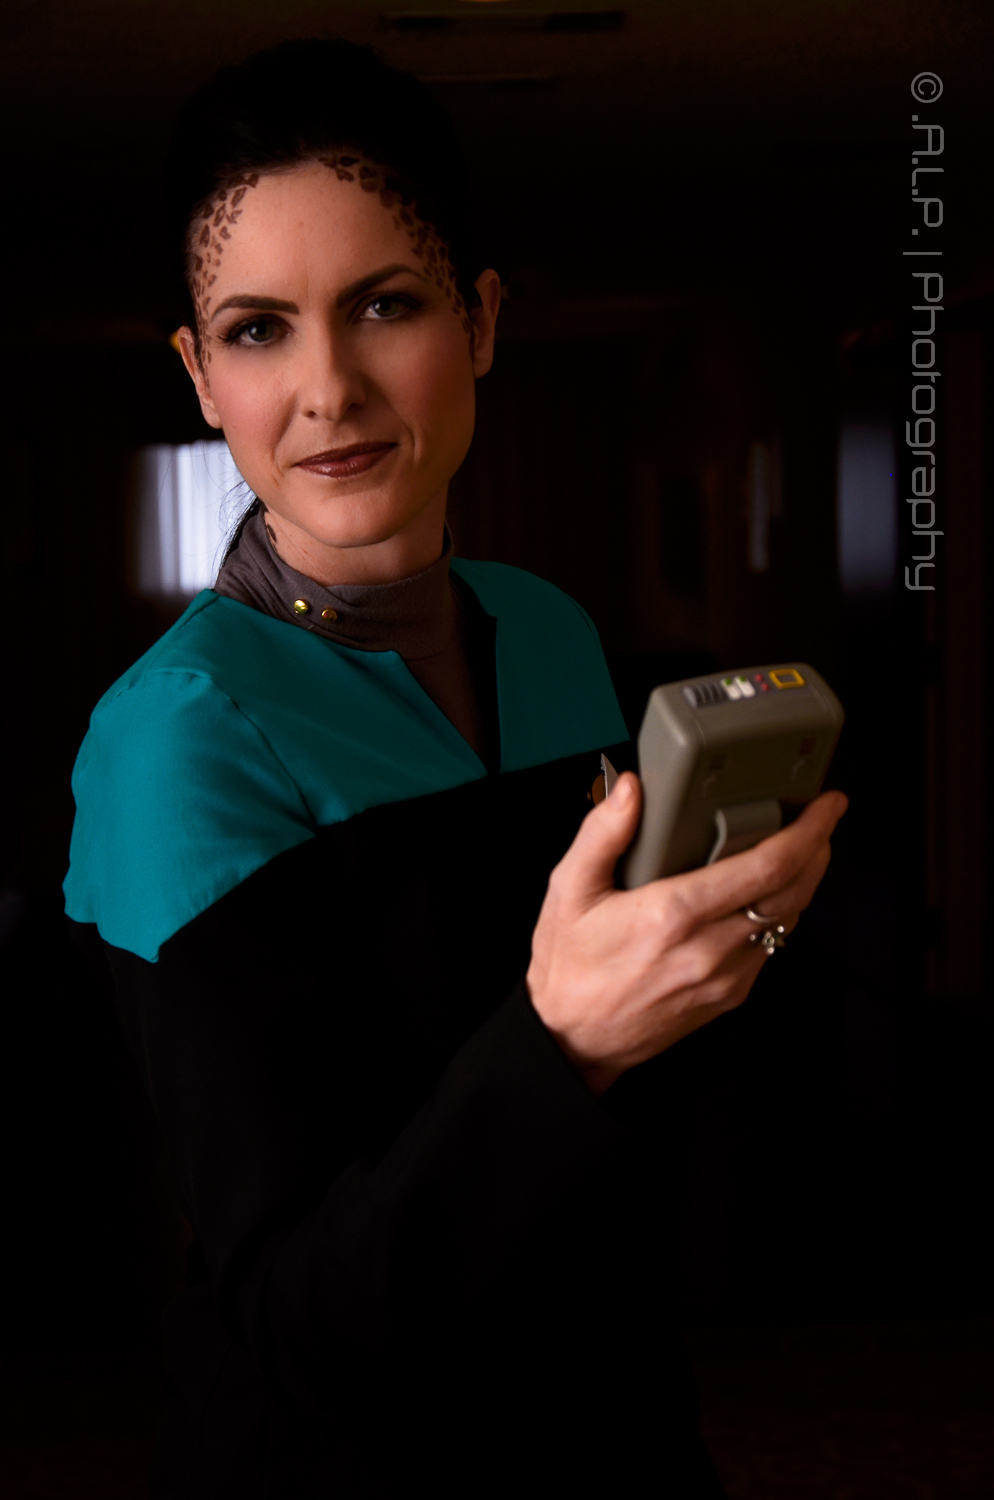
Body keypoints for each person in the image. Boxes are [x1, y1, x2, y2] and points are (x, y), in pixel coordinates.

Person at [63, 38, 846, 1498]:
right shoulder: (177, 735)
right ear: (199, 374)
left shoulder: (546, 631)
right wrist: (570, 1037)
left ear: (479, 321)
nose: (328, 389)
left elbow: (634, 1126)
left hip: (611, 1420)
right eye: (256, 330)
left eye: (386, 304)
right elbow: (298, 1320)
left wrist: (716, 944)